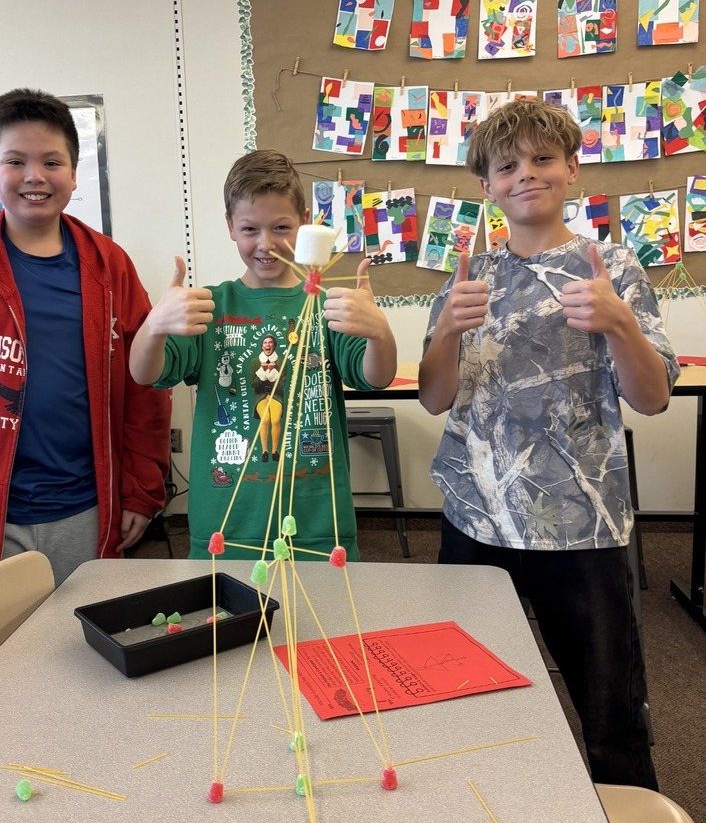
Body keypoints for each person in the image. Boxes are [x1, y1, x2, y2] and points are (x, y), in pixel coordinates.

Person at [418, 97, 678, 789]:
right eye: (508, 165)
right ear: (486, 186)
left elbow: (652, 398)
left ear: (571, 170)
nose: (526, 174)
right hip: (475, 520)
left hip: (582, 529)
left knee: (609, 711)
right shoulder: (471, 272)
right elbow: (433, 395)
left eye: (542, 159)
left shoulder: (612, 267)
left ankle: (625, 804)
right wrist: (446, 329)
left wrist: (620, 324)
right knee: (462, 694)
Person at [0, 88, 171, 587]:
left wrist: (140, 490)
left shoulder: (109, 265)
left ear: (73, 172)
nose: (34, 177)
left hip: (88, 508)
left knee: (85, 653)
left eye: (52, 161)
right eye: (15, 161)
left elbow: (145, 387)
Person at [129, 149, 397, 560]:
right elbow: (145, 373)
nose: (266, 244)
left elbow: (376, 376)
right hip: (226, 528)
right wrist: (154, 325)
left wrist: (380, 334)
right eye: (250, 228)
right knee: (226, 623)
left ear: (304, 222)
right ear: (230, 227)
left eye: (282, 227)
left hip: (317, 529)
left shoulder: (324, 304)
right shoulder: (211, 305)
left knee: (325, 622)